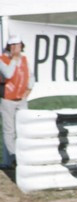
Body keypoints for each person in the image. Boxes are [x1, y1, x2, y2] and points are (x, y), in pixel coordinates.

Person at [0, 35, 35, 167]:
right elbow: (8, 74)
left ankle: (23, 157)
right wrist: (13, 60)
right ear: (9, 47)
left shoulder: (24, 59)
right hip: (7, 99)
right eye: (12, 45)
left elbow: (30, 75)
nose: (15, 48)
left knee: (24, 128)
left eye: (17, 45)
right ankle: (12, 159)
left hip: (21, 99)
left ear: (21, 46)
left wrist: (29, 89)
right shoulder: (2, 60)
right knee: (9, 131)